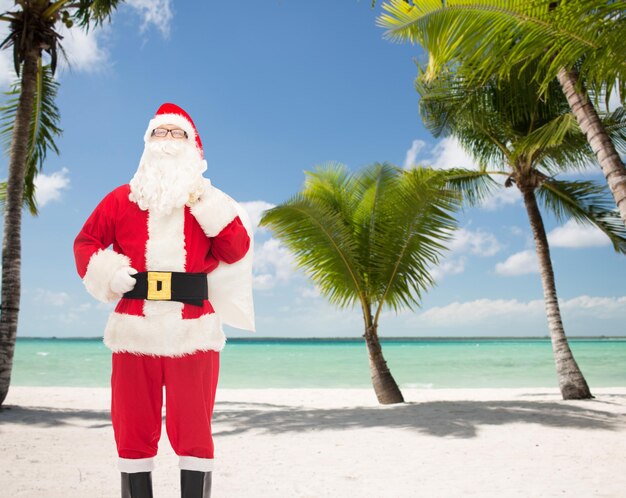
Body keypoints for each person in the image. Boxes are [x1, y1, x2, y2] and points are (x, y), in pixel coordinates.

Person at [73, 102, 255, 498]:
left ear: (193, 146)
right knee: (132, 429)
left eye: (177, 133)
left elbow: (236, 249)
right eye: (160, 133)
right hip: (134, 330)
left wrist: (205, 203)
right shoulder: (121, 199)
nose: (167, 141)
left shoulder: (211, 200)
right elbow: (86, 242)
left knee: (194, 431)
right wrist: (108, 272)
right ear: (146, 143)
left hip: (193, 330)